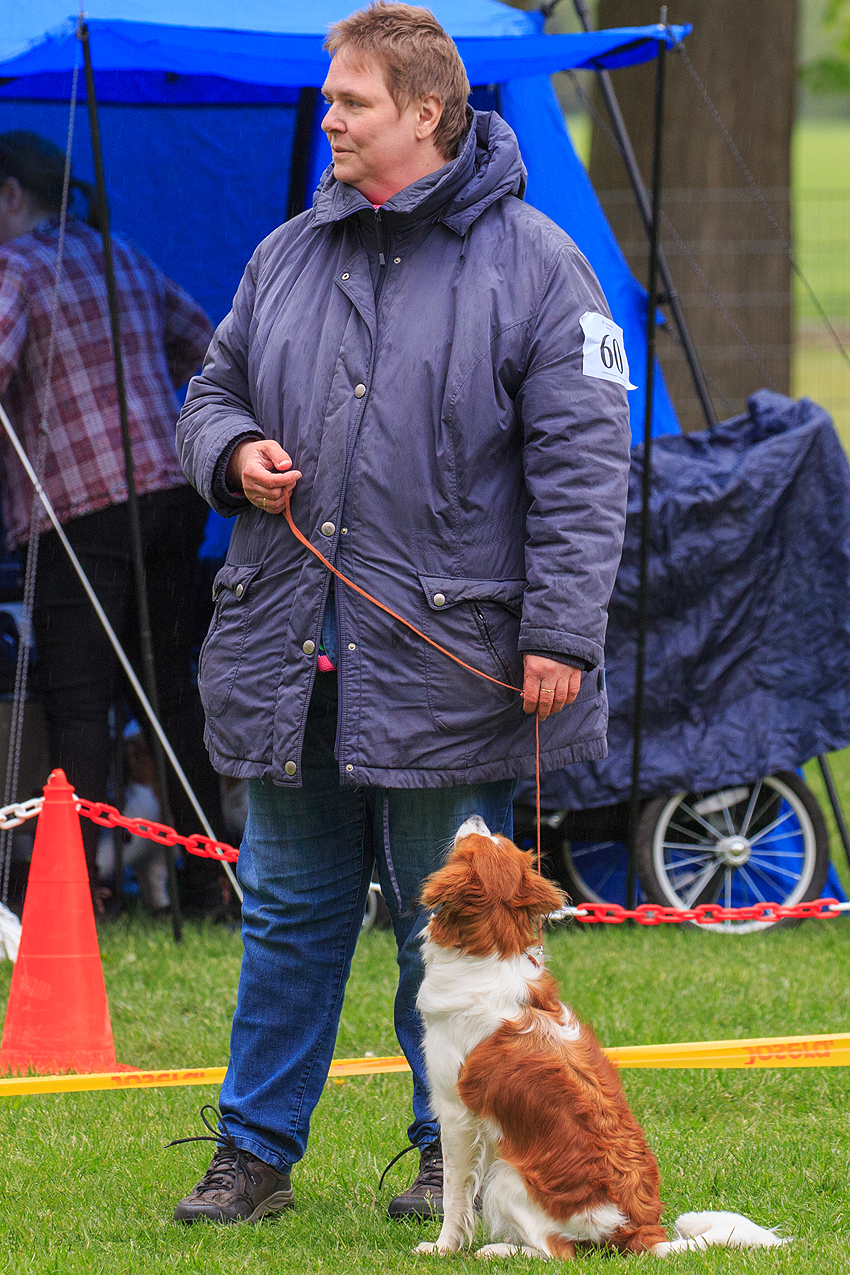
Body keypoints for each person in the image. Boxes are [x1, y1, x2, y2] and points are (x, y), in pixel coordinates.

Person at [173, 0, 632, 1225]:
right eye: (330, 99)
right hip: (288, 651)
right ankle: (252, 1156)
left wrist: (561, 631)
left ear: (424, 113)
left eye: (349, 100)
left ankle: (450, 1153)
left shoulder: (539, 260)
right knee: (284, 915)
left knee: (449, 938)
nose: (326, 118)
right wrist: (234, 453)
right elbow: (208, 388)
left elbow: (587, 464)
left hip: (454, 665)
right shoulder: (285, 255)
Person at [0, 131, 224, 914]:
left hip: (75, 510)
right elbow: (207, 344)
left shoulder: (17, 268)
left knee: (79, 702)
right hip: (169, 496)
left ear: (11, 195)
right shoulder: (120, 254)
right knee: (171, 697)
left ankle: (73, 894)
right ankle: (209, 880)